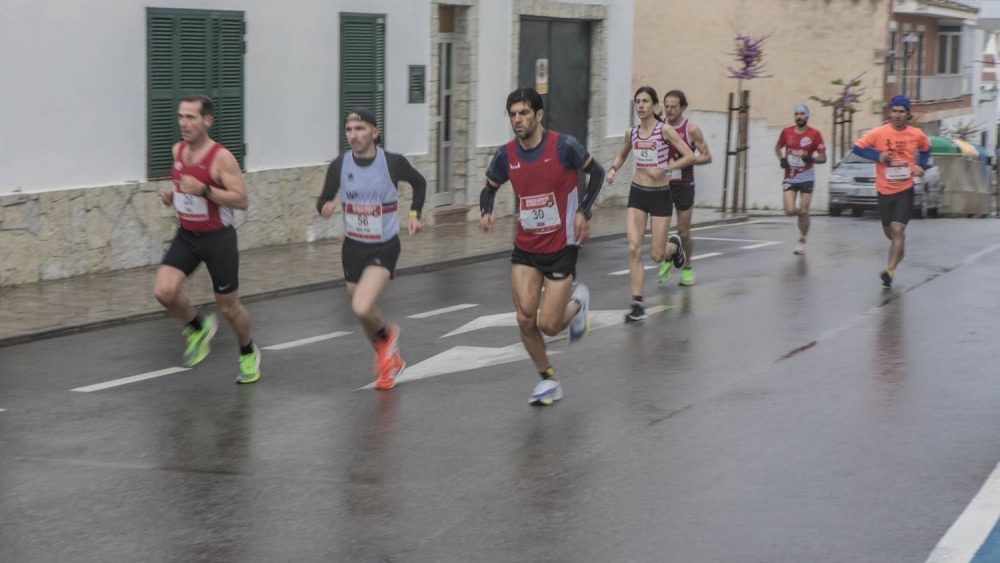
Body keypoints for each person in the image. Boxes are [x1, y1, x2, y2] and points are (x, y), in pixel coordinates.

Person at [479, 88, 604, 405]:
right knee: (524, 318)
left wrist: (583, 211)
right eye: (512, 114)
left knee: (549, 325)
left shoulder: (564, 147)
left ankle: (578, 303)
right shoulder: (505, 155)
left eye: (523, 113)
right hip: (526, 246)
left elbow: (597, 172)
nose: (517, 120)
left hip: (561, 245)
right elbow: (489, 188)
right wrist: (486, 211)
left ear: (538, 115)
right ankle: (548, 379)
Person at [154, 94, 261, 384]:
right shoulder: (178, 150)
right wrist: (173, 196)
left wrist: (204, 190)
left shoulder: (221, 158)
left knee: (228, 307)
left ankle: (248, 350)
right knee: (164, 292)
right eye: (181, 116)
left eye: (191, 117)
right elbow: (183, 185)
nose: (184, 123)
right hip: (188, 235)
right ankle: (198, 327)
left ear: (207, 121)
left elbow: (241, 200)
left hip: (218, 239)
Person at [317, 109, 426, 390]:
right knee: (363, 311)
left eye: (360, 129)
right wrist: (325, 207)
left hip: (384, 245)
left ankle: (387, 342)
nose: (353, 135)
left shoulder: (392, 163)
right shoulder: (339, 165)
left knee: (362, 305)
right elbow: (324, 199)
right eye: (349, 130)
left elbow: (419, 183)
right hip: (352, 247)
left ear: (375, 133)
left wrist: (414, 214)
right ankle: (388, 358)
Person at [606, 86, 695, 321]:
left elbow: (689, 155)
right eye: (637, 102)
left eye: (645, 101)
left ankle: (673, 247)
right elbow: (623, 153)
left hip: (660, 195)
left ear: (654, 105)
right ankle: (637, 302)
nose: (641, 105)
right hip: (638, 193)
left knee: (657, 255)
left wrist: (668, 168)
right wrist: (613, 169)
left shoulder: (664, 130)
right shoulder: (632, 133)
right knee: (634, 248)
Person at [852, 95, 930, 287]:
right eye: (894, 111)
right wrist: (878, 155)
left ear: (908, 114)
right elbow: (857, 148)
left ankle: (889, 271)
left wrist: (921, 165)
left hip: (905, 189)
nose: (897, 115)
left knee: (898, 229)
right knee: (891, 234)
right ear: (889, 113)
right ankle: (898, 249)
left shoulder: (916, 134)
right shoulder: (878, 133)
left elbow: (926, 149)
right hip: (884, 190)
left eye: (902, 111)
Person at [659, 89, 713, 285]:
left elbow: (707, 156)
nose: (669, 110)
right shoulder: (659, 126)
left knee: (684, 231)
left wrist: (688, 161)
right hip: (662, 185)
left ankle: (688, 266)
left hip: (684, 185)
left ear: (683, 107)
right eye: (667, 106)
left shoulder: (691, 129)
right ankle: (668, 257)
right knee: (660, 233)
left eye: (674, 106)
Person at [775, 104, 827, 254]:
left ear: (807, 116)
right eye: (796, 114)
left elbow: (823, 158)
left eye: (802, 114)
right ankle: (803, 215)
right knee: (790, 211)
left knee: (804, 210)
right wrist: (781, 159)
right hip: (790, 176)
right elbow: (777, 148)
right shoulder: (786, 132)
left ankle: (802, 238)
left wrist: (811, 159)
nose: (799, 116)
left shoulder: (815, 134)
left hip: (806, 177)